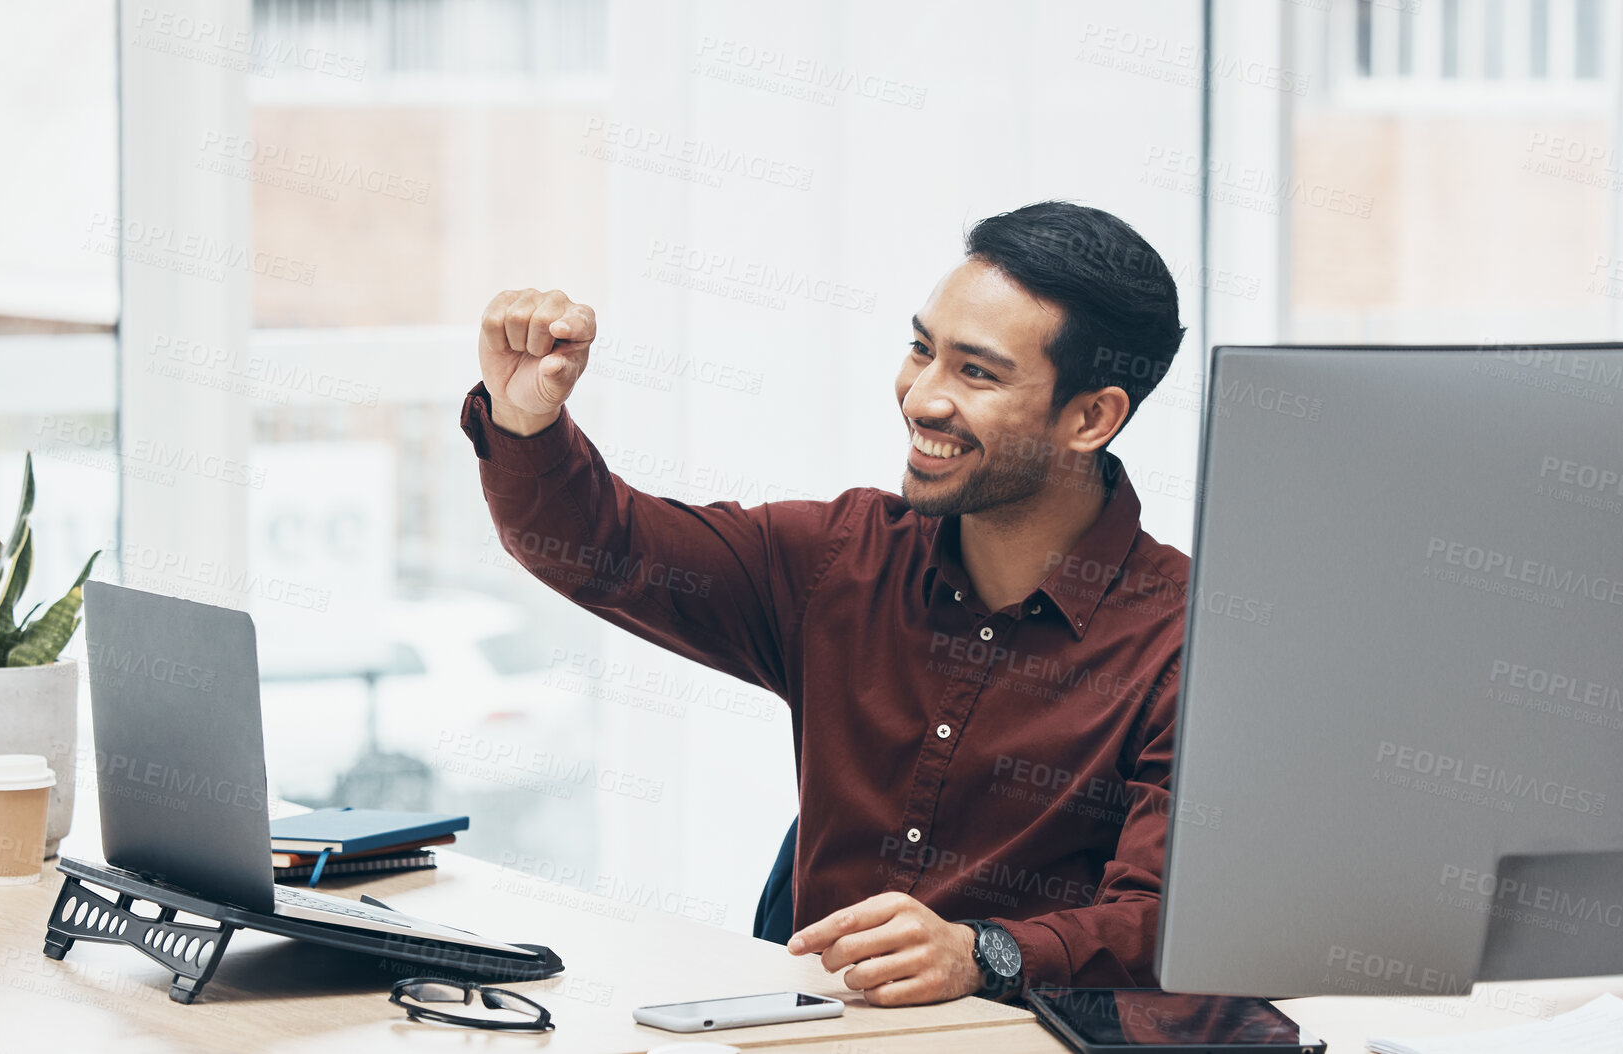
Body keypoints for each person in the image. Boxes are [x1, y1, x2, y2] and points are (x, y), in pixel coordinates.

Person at [460, 201, 1190, 1005]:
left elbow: (1169, 921)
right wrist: (526, 417)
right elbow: (604, 547)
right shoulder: (841, 558)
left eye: (976, 372)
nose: (922, 398)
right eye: (921, 350)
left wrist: (986, 952)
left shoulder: (1185, 642)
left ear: (1092, 417)